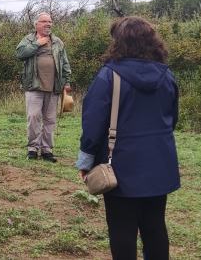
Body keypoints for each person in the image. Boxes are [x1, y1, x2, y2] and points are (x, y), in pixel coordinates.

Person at [75, 17, 180, 260]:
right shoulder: (167, 76)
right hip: (159, 165)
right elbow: (171, 119)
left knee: (122, 230)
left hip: (121, 166)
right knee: (155, 227)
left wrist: (85, 160)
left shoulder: (108, 76)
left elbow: (92, 123)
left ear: (118, 43)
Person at [15, 12, 71, 162]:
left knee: (50, 119)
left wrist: (66, 83)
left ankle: (47, 150)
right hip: (34, 86)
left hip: (54, 87)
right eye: (44, 21)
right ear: (36, 24)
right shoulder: (29, 39)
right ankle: (32, 149)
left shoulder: (58, 42)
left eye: (50, 21)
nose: (48, 24)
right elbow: (20, 54)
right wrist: (37, 44)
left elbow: (65, 63)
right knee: (33, 117)